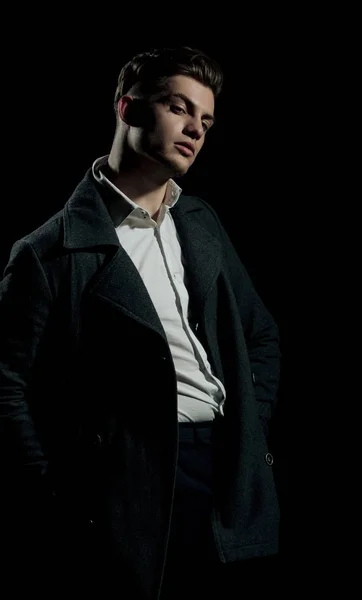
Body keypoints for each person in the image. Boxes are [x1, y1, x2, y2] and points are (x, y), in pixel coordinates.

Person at [0, 46, 281, 598]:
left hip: (228, 474)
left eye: (206, 119)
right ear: (128, 109)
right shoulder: (48, 251)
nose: (196, 129)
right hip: (132, 486)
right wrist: (60, 489)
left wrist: (251, 423)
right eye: (179, 108)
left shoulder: (200, 221)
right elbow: (7, 386)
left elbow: (261, 336)